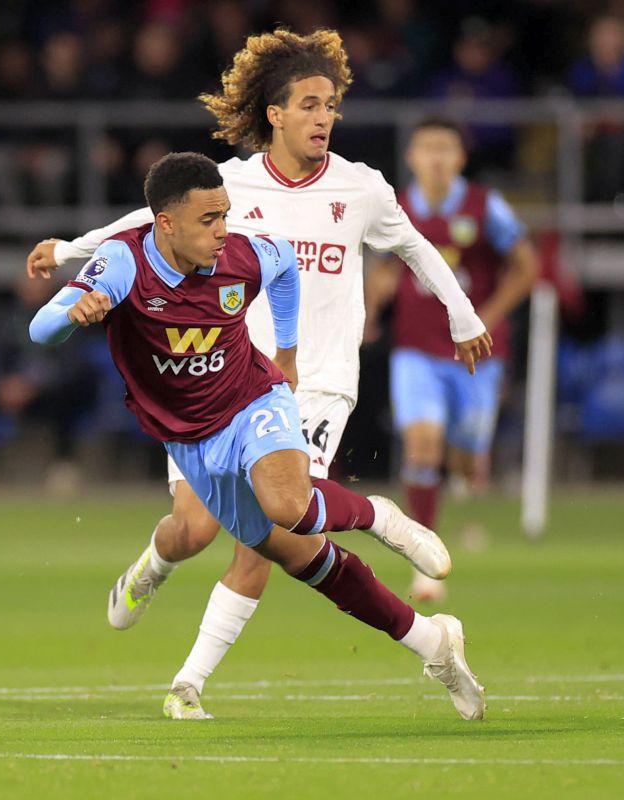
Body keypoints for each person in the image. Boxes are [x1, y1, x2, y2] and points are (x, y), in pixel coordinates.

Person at [24, 28, 491, 720]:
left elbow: (418, 250)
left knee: (270, 534)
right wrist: (72, 250)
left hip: (310, 381)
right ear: (275, 115)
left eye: (331, 105)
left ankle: (189, 683)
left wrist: (462, 316)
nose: (324, 118)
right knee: (193, 530)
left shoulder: (361, 188)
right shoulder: (232, 186)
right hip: (210, 386)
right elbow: (148, 223)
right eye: (309, 104)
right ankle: (154, 569)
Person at [364, 117, 538, 602]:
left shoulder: (486, 208)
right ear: (412, 157)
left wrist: (486, 316)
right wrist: (370, 311)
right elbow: (382, 267)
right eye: (427, 148)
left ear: (460, 157)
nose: (436, 158)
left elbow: (527, 266)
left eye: (446, 148)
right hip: (416, 350)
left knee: (465, 458)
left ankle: (466, 472)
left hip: (476, 354)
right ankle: (424, 559)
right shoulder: (397, 208)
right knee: (422, 445)